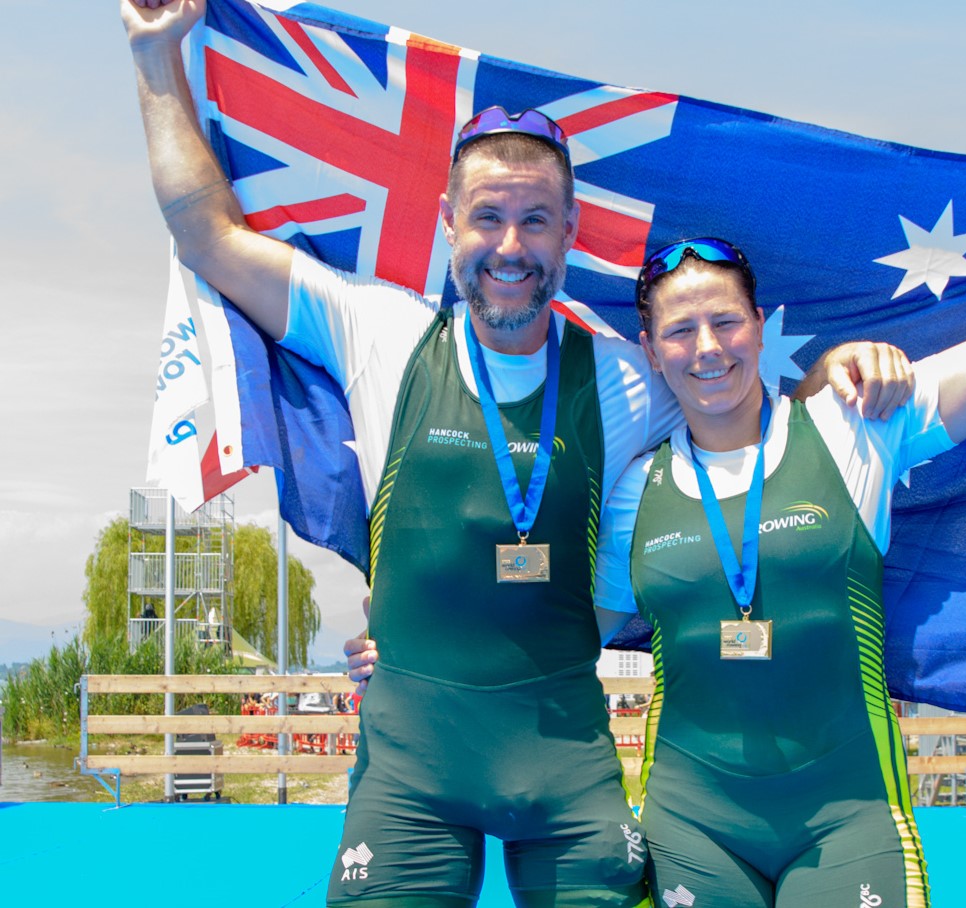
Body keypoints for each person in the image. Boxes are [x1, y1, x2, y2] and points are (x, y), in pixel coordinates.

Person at [121, 4, 908, 904]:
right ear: (448, 222)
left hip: (564, 767)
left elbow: (740, 398)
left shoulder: (623, 377)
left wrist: (836, 378)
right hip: (411, 766)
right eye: (488, 217)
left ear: (570, 230)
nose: (510, 246)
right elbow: (209, 237)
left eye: (536, 221)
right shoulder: (379, 333)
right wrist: (156, 56)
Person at [355, 175, 966, 904]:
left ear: (760, 328)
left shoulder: (855, 429)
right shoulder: (631, 493)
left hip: (848, 818)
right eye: (681, 332)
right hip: (690, 824)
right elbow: (549, 627)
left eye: (725, 322)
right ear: (652, 351)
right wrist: (403, 645)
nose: (708, 348)